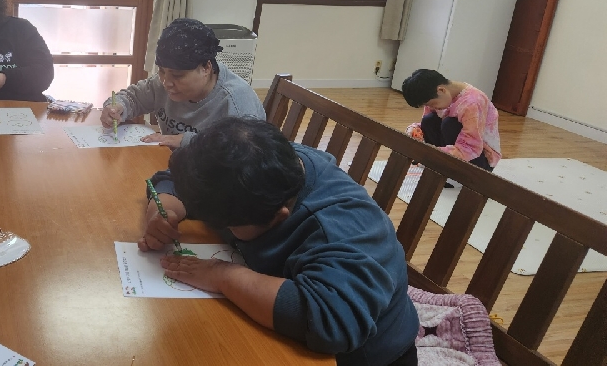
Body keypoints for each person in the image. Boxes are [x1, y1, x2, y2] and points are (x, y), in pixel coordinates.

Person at [140, 117, 419, 366]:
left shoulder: (337, 228)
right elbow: (180, 179)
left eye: (230, 226)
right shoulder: (255, 164)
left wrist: (223, 276)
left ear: (278, 216)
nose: (223, 228)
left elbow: (332, 321)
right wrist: (165, 209)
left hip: (361, 357)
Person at [100, 18, 265, 149]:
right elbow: (133, 98)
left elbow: (248, 153)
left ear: (206, 67)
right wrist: (118, 107)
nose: (166, 82)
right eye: (162, 71)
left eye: (177, 75)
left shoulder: (236, 101)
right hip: (171, 163)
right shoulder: (162, 83)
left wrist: (187, 141)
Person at [401, 69, 501, 172]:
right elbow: (425, 123)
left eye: (432, 104)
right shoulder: (439, 97)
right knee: (429, 120)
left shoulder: (472, 103)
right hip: (455, 150)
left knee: (449, 124)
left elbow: (472, 148)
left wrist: (431, 153)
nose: (431, 107)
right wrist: (415, 130)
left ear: (441, 90)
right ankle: (441, 163)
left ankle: (445, 165)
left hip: (479, 158)